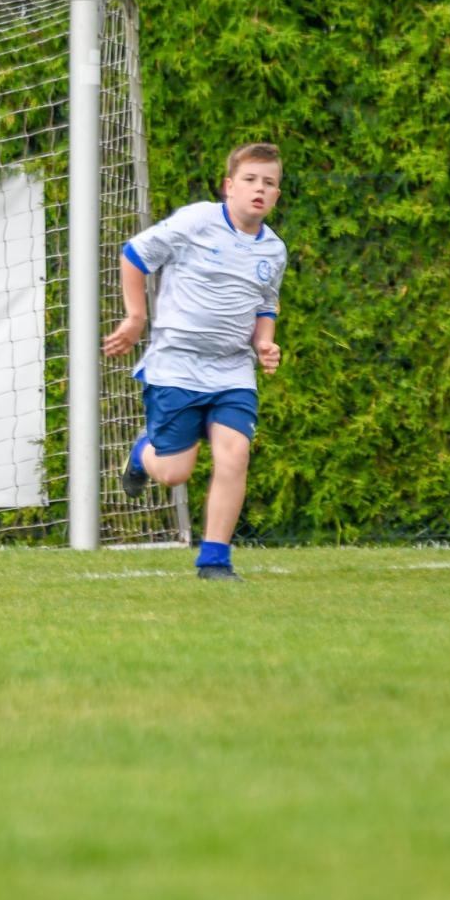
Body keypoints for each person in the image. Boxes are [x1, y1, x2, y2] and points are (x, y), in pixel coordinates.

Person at [101, 141, 288, 581]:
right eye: (250, 180)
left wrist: (265, 343)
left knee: (235, 454)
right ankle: (142, 454)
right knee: (173, 473)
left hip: (232, 370)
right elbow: (134, 255)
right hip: (176, 365)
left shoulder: (274, 250)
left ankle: (215, 561)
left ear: (277, 195)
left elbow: (266, 304)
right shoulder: (197, 221)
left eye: (269, 183)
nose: (259, 189)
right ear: (229, 186)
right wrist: (135, 317)